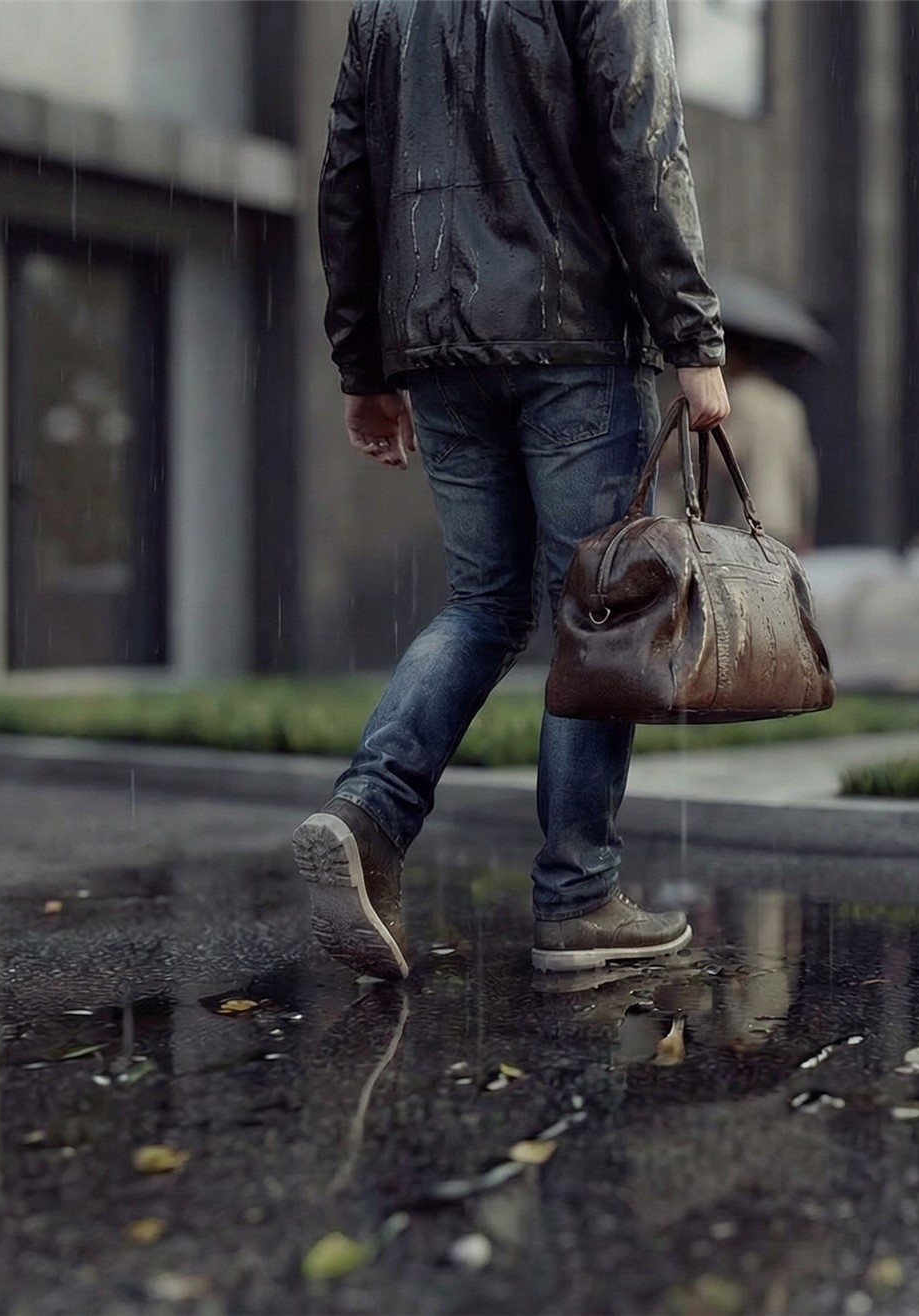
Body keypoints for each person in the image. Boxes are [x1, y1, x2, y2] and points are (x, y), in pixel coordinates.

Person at [299, 0, 730, 980]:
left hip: (437, 349)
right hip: (569, 336)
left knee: (483, 608)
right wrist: (693, 338)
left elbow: (347, 182)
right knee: (601, 613)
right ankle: (578, 897)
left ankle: (366, 812)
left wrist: (363, 368)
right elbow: (642, 139)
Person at [654, 334, 818, 551]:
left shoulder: (739, 397)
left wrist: (683, 442)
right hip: (784, 519)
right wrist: (805, 524)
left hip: (748, 519)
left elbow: (728, 456)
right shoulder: (788, 403)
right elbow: (805, 473)